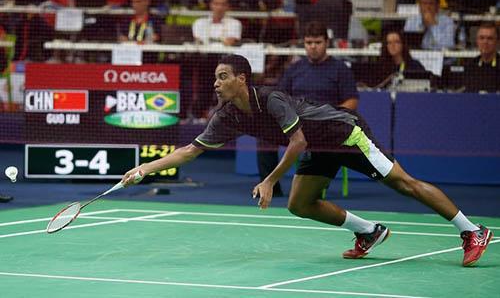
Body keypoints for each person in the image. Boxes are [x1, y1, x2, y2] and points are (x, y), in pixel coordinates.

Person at [122, 54, 493, 267]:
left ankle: (471, 230)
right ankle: (369, 231)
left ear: (242, 78)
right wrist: (143, 169)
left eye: (223, 77)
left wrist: (269, 180)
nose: (216, 84)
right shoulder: (228, 115)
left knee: (403, 183)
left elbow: (296, 141)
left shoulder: (270, 99)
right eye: (215, 78)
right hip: (318, 146)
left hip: (344, 135)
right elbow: (190, 150)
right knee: (300, 204)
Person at [257, 21, 359, 196]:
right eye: (309, 43)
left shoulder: (340, 69)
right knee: (264, 136)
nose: (313, 47)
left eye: (317, 42)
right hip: (295, 123)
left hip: (325, 124)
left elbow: (352, 101)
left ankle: (315, 184)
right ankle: (270, 189)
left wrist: (328, 116)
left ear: (327, 43)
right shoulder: (295, 69)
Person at [463, 22, 499, 93]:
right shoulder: (470, 66)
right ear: (477, 41)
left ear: (497, 42)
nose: (485, 42)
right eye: (481, 38)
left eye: (490, 38)